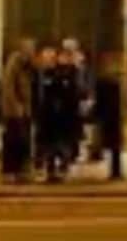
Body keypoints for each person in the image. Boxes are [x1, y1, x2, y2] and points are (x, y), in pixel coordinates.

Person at [36, 46, 79, 183]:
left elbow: (66, 94)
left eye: (51, 58)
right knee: (49, 145)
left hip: (59, 116)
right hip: (46, 116)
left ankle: (61, 169)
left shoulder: (60, 74)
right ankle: (51, 170)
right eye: (46, 58)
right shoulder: (39, 74)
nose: (48, 61)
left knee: (60, 144)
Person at [0, 39, 35, 184]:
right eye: (29, 49)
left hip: (25, 109)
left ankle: (22, 171)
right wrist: (16, 106)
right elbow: (8, 87)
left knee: (24, 141)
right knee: (12, 141)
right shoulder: (14, 63)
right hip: (13, 111)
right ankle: (9, 171)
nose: (31, 51)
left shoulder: (28, 64)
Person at [93, 52, 124, 181]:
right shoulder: (114, 82)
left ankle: (115, 170)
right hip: (113, 117)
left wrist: (96, 113)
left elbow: (99, 100)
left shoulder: (102, 82)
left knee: (112, 144)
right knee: (115, 146)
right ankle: (116, 171)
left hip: (107, 116)